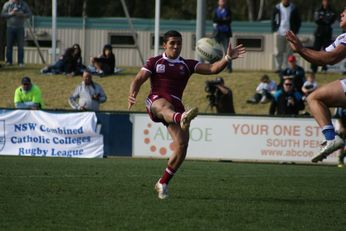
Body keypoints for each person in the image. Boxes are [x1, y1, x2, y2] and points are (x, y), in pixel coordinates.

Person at [128, 30, 245, 199]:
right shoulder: (155, 62)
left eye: (179, 43)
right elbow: (138, 78)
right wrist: (133, 93)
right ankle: (180, 118)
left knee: (182, 146)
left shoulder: (187, 65)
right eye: (172, 43)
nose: (176, 46)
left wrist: (227, 58)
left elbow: (212, 69)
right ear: (164, 45)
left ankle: (163, 182)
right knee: (164, 106)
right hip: (156, 100)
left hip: (176, 104)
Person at [285, 7, 346, 163]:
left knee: (314, 98)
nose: (341, 14)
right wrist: (300, 50)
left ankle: (331, 139)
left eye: (345, 12)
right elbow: (321, 58)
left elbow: (330, 58)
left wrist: (301, 49)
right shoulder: (342, 38)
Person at [271, 0, 301, 73]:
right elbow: (273, 19)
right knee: (278, 51)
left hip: (290, 34)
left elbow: (298, 21)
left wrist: (295, 31)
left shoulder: (294, 8)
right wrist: (274, 30)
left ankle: (288, 68)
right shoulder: (277, 8)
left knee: (289, 52)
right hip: (279, 33)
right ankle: (278, 67)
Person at [1, 0, 32, 67]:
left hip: (20, 28)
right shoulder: (7, 4)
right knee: (9, 45)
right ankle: (9, 61)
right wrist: (11, 13)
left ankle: (20, 62)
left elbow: (29, 14)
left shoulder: (24, 4)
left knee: (20, 46)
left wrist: (22, 15)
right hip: (10, 27)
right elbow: (2, 14)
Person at [311, 0, 337, 73]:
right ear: (322, 2)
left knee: (327, 51)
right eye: (324, 1)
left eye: (327, 1)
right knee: (316, 50)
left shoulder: (332, 10)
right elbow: (317, 19)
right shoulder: (318, 10)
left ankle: (324, 68)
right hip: (319, 33)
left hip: (327, 33)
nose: (326, 3)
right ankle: (314, 68)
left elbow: (331, 20)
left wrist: (323, 19)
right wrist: (325, 19)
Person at [213, 0, 233, 72]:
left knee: (227, 51)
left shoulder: (228, 10)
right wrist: (223, 20)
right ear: (218, 2)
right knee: (214, 50)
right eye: (221, 1)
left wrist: (220, 20)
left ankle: (228, 68)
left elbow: (229, 20)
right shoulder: (215, 10)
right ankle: (213, 66)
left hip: (225, 33)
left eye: (224, 1)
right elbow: (214, 20)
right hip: (217, 33)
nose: (222, 2)